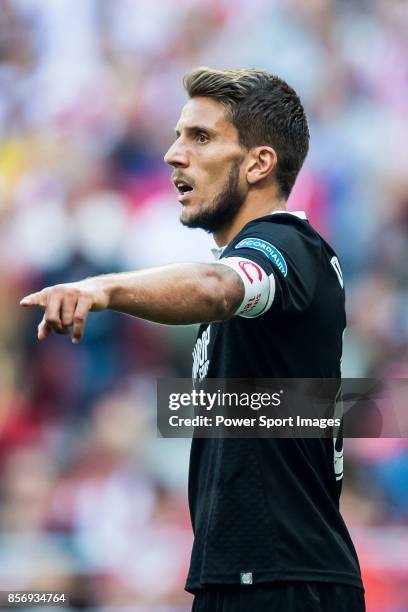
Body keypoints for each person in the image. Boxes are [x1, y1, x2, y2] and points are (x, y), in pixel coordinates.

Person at [20, 67, 365, 611]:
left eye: (200, 137)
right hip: (244, 578)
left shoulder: (288, 246)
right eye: (179, 135)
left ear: (258, 163)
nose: (173, 154)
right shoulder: (257, 274)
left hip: (287, 583)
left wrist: (103, 286)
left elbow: (214, 288)